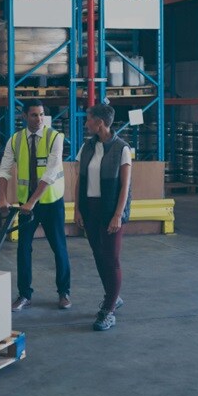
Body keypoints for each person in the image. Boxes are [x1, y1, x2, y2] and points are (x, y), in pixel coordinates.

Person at [0, 99, 71, 312]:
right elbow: (4, 170)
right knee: (23, 248)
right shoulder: (15, 140)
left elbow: (51, 172)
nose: (39, 119)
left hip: (51, 202)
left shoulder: (55, 137)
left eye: (41, 115)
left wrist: (32, 202)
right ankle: (24, 295)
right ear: (24, 116)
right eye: (34, 115)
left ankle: (64, 292)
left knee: (59, 247)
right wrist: (2, 197)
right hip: (26, 204)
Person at [75, 103, 132, 331]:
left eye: (88, 119)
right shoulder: (87, 147)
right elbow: (80, 180)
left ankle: (108, 310)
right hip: (90, 208)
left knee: (111, 258)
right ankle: (113, 295)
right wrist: (77, 208)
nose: (86, 123)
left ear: (99, 123)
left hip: (110, 210)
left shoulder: (121, 148)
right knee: (98, 254)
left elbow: (125, 186)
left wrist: (118, 215)